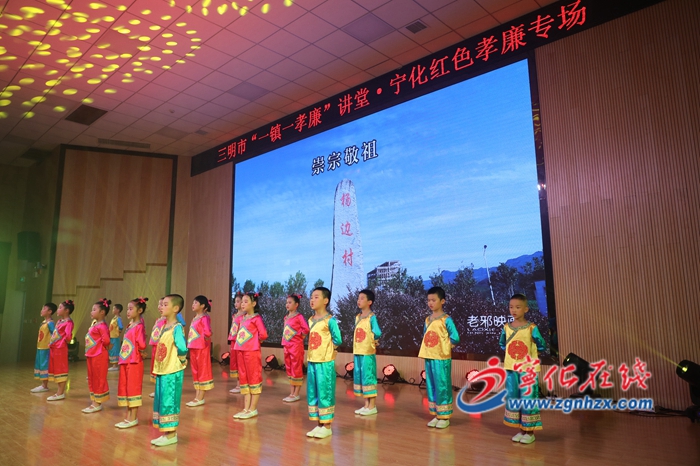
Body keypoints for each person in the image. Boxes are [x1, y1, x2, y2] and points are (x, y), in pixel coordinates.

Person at [499, 293, 547, 444]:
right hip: (512, 368)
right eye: (511, 307)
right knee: (514, 397)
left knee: (528, 398)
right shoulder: (506, 327)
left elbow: (542, 344)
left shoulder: (532, 328)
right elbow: (502, 344)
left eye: (518, 307)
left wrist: (535, 353)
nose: (513, 310)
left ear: (526, 309)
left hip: (528, 369)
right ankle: (521, 429)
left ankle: (530, 431)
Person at [418, 286, 460, 429]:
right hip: (429, 356)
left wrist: (445, 347)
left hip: (441, 358)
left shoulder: (446, 319)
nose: (430, 303)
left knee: (442, 385)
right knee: (431, 385)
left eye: (433, 300)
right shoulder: (428, 319)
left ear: (442, 301)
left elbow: (455, 337)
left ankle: (445, 416)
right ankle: (437, 414)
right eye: (428, 300)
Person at [151, 294, 188, 447]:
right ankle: (167, 433)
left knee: (169, 401)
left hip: (172, 371)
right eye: (162, 304)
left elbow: (182, 347)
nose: (162, 307)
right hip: (163, 370)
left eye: (166, 304)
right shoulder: (165, 326)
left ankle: (171, 435)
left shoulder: (177, 328)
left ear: (175, 308)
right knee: (162, 400)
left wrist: (181, 360)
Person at [306, 287, 342, 439]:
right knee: (313, 392)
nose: (312, 300)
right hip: (312, 361)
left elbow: (338, 340)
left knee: (325, 392)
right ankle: (319, 424)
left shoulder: (330, 320)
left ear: (325, 300)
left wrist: (329, 352)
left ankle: (327, 426)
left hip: (325, 363)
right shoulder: (310, 320)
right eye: (311, 297)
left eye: (316, 297)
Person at [232, 292, 268, 419]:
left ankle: (253, 408)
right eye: (242, 301)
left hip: (252, 352)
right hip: (241, 351)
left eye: (246, 301)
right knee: (244, 378)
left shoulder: (256, 318)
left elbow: (263, 334)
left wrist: (255, 342)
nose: (242, 304)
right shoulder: (242, 318)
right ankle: (246, 408)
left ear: (254, 303)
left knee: (253, 378)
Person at [116, 297, 148, 429]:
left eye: (131, 309)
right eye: (127, 309)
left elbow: (142, 344)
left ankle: (133, 417)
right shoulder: (130, 325)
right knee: (126, 387)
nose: (128, 311)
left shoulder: (139, 326)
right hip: (126, 360)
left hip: (134, 361)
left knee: (133, 388)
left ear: (139, 311)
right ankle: (128, 416)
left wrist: (141, 351)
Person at [353, 289, 382, 416]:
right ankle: (366, 405)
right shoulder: (358, 317)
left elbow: (378, 332)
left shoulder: (372, 317)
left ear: (369, 302)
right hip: (358, 351)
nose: (359, 301)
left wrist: (373, 341)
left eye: (362, 298)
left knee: (368, 376)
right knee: (362, 377)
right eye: (358, 298)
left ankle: (372, 406)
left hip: (367, 352)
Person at [83, 298, 112, 413]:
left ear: (102, 312)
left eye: (94, 309)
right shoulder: (96, 324)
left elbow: (106, 340)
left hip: (99, 355)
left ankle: (97, 402)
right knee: (92, 377)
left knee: (99, 377)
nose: (91, 312)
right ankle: (94, 400)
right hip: (92, 354)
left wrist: (101, 346)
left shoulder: (102, 326)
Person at [186, 295, 213, 407]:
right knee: (195, 371)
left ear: (202, 306)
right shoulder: (195, 317)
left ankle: (200, 397)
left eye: (196, 303)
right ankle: (197, 397)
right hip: (194, 347)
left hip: (201, 348)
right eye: (193, 303)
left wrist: (203, 340)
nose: (193, 305)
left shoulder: (204, 318)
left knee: (202, 370)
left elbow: (208, 332)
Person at [281, 294, 309, 402]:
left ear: (296, 304)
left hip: (296, 346)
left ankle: (296, 393)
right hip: (287, 346)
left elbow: (306, 329)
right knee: (289, 368)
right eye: (286, 302)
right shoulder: (286, 317)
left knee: (296, 368)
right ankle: (291, 392)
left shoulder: (299, 317)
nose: (287, 304)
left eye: (290, 302)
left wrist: (299, 337)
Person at [47, 300, 75, 401]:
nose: (58, 310)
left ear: (66, 310)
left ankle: (60, 392)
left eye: (60, 308)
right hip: (55, 347)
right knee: (56, 369)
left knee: (60, 369)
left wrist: (62, 341)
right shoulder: (59, 321)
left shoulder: (69, 322)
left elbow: (68, 336)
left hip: (60, 348)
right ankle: (59, 392)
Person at [30, 303, 57, 393]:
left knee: (44, 365)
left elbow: (54, 335)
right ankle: (43, 384)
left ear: (50, 311)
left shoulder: (50, 323)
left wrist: (51, 345)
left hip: (46, 348)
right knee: (40, 365)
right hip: (40, 347)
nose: (41, 310)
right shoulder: (44, 322)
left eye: (44, 309)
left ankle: (44, 385)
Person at [228, 291, 244, 394]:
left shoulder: (244, 316)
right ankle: (238, 384)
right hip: (234, 342)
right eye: (235, 301)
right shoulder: (235, 315)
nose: (236, 303)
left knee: (240, 362)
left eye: (238, 301)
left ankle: (241, 384)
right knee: (235, 362)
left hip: (240, 343)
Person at [108, 304, 124, 371]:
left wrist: (118, 333)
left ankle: (115, 365)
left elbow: (121, 327)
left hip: (115, 337)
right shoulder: (114, 318)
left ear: (118, 310)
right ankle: (114, 364)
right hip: (112, 336)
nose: (113, 310)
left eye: (114, 308)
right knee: (112, 349)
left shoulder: (118, 318)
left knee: (115, 350)